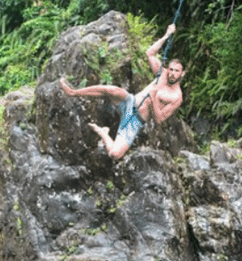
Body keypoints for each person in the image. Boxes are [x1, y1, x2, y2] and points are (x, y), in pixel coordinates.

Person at [60, 23, 184, 161]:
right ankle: (73, 92)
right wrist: (166, 35)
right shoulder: (162, 74)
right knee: (110, 90)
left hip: (135, 120)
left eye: (176, 71)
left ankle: (103, 132)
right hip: (129, 101)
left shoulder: (176, 97)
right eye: (171, 69)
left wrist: (154, 98)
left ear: (182, 74)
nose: (172, 74)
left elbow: (160, 119)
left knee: (114, 154)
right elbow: (149, 53)